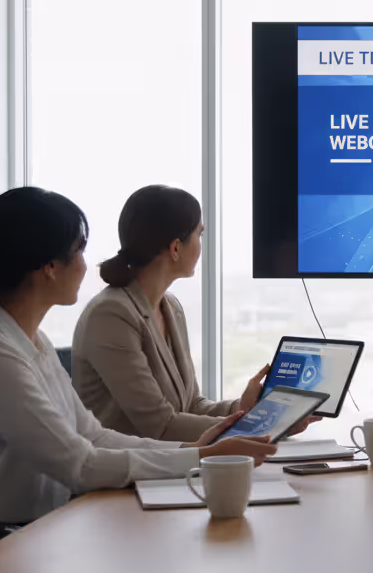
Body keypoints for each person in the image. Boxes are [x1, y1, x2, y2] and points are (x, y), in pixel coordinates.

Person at [0, 187, 279, 524]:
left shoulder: (30, 341)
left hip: (37, 529)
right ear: (50, 266)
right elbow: (79, 464)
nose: (85, 264)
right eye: (78, 250)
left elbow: (93, 435)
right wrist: (200, 457)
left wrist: (192, 449)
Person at [72, 185, 314, 443]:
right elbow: (161, 425)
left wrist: (242, 408)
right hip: (124, 476)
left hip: (169, 468)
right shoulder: (110, 314)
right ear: (176, 247)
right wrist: (259, 424)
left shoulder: (170, 307)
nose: (201, 245)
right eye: (199, 234)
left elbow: (191, 405)